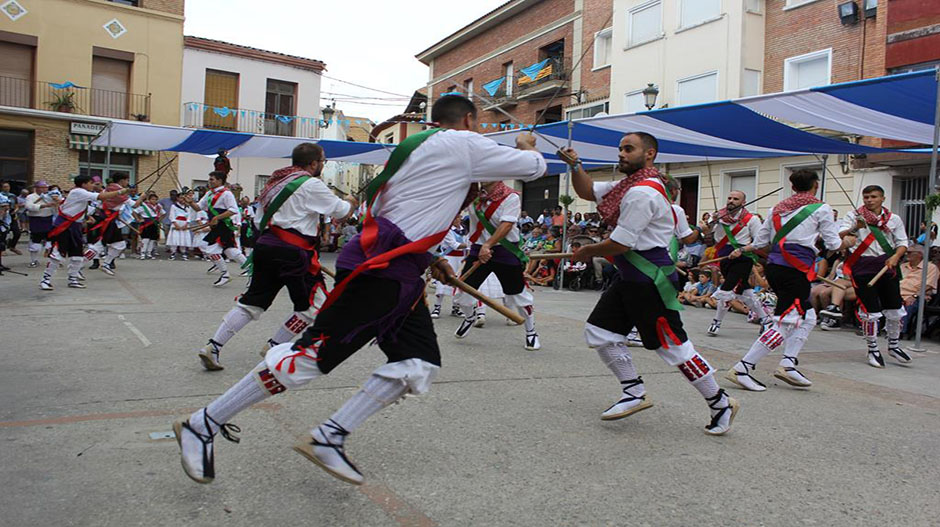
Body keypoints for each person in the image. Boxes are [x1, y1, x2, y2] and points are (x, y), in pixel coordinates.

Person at [172, 94, 547, 485]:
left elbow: (394, 208)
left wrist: (425, 254)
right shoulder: (463, 143)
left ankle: (330, 436)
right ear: (469, 120)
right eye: (477, 123)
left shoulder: (415, 149)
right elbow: (533, 167)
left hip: (399, 268)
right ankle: (204, 423)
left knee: (417, 363)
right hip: (382, 269)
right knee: (311, 358)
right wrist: (527, 144)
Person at [562, 132, 738, 435]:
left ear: (650, 154)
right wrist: (576, 165)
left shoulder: (642, 193)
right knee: (600, 332)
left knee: (675, 347)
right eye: (620, 148)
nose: (621, 154)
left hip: (649, 281)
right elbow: (589, 190)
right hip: (630, 277)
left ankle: (720, 401)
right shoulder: (625, 186)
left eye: (629, 149)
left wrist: (587, 250)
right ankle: (633, 391)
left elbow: (620, 242)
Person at [195, 143, 356, 371]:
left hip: (266, 247)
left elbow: (260, 221)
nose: (323, 165)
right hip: (295, 253)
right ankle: (274, 346)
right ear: (313, 163)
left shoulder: (274, 183)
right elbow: (340, 211)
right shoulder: (311, 184)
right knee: (314, 307)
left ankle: (213, 346)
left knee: (252, 302)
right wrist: (350, 201)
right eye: (323, 161)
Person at [726, 169, 847, 391]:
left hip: (776, 268)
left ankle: (788, 364)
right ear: (815, 185)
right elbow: (833, 245)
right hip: (795, 270)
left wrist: (741, 249)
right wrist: (846, 242)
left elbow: (761, 241)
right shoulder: (821, 208)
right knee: (786, 321)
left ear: (792, 187)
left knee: (808, 316)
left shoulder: (776, 209)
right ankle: (743, 367)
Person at [455, 179, 541, 350]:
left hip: (505, 250)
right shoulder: (473, 195)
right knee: (463, 292)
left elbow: (507, 225)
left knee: (517, 295)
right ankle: (470, 317)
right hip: (478, 250)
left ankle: (531, 332)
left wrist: (489, 245)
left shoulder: (511, 197)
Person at [838, 185, 911, 367]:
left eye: (873, 197)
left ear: (882, 198)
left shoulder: (893, 219)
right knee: (870, 311)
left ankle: (893, 345)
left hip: (887, 265)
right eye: (866, 197)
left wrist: (895, 256)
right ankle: (873, 349)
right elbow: (839, 235)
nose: (869, 200)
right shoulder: (853, 216)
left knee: (894, 308)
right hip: (862, 266)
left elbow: (902, 242)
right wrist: (856, 226)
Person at [40, 176, 129, 290]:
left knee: (77, 255)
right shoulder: (79, 192)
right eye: (90, 183)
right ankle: (45, 279)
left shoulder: (80, 193)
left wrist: (86, 216)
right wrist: (120, 191)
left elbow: (76, 207)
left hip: (75, 226)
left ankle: (72, 279)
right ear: (83, 184)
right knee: (57, 254)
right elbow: (101, 197)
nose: (93, 185)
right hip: (64, 227)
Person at [706, 191, 768, 336]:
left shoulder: (751, 219)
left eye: (735, 199)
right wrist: (711, 222)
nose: (731, 201)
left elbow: (760, 242)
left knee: (727, 288)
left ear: (743, 202)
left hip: (743, 258)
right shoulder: (719, 217)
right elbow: (707, 233)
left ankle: (717, 322)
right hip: (724, 258)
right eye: (729, 198)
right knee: (744, 290)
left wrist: (741, 249)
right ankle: (766, 319)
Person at [183, 171, 246, 287]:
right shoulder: (209, 194)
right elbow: (198, 208)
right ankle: (240, 272)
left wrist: (217, 217)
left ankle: (229, 274)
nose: (209, 181)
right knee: (229, 250)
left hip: (224, 225)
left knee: (218, 250)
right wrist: (191, 202)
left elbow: (233, 210)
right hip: (215, 226)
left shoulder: (227, 194)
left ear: (219, 180)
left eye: (212, 179)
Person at [85, 174, 132, 276]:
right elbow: (135, 205)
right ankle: (78, 266)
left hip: (107, 219)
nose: (127, 183)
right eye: (127, 180)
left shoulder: (107, 189)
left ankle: (106, 263)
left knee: (120, 244)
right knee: (98, 245)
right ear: (122, 180)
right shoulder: (118, 191)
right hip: (104, 220)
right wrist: (142, 197)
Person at [431, 215, 467, 319]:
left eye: (459, 217)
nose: (458, 220)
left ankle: (456, 307)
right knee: (443, 282)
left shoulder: (464, 230)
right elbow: (454, 245)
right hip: (449, 258)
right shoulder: (447, 231)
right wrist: (471, 245)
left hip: (461, 259)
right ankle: (437, 307)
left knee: (459, 282)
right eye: (455, 217)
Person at [899, 246, 939, 335]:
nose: (906, 254)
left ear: (919, 254)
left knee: (908, 304)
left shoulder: (930, 268)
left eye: (909, 252)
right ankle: (874, 329)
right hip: (897, 294)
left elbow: (928, 286)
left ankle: (899, 331)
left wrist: (914, 296)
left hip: (916, 296)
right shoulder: (902, 266)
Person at [24, 181, 58, 268]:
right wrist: (45, 205)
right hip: (36, 220)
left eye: (46, 187)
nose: (45, 189)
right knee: (36, 241)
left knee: (51, 240)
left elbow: (55, 208)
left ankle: (53, 260)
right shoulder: (30, 197)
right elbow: (29, 206)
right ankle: (34, 260)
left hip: (49, 219)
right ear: (37, 188)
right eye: (42, 187)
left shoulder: (50, 196)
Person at [134, 192, 163, 259]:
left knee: (152, 239)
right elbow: (134, 212)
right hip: (146, 223)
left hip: (154, 223)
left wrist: (159, 220)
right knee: (145, 239)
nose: (154, 201)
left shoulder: (158, 207)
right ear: (149, 200)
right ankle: (143, 253)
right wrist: (138, 219)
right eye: (152, 199)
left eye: (155, 199)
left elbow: (164, 213)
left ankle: (149, 253)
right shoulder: (144, 206)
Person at [166, 190, 193, 260]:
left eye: (184, 198)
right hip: (176, 223)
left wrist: (186, 224)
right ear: (177, 198)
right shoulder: (174, 206)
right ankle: (173, 253)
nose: (182, 199)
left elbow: (189, 216)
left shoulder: (187, 207)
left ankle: (184, 253)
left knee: (183, 239)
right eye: (180, 198)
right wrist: (175, 224)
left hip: (184, 224)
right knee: (175, 238)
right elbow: (172, 216)